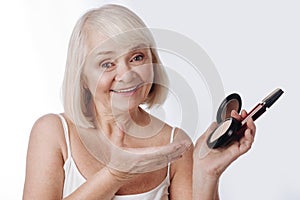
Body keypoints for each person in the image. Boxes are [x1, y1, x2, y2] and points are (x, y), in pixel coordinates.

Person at [23, 4, 256, 200]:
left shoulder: (176, 145)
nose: (127, 74)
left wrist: (207, 174)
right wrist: (115, 174)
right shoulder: (53, 133)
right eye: (107, 64)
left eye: (137, 57)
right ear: (83, 77)